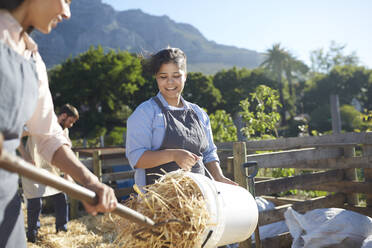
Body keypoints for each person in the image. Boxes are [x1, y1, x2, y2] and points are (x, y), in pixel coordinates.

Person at [0, 1, 117, 247]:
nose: (67, 13)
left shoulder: (33, 60)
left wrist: (89, 181)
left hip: (4, 199)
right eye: (64, 0)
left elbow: (47, 135)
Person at [126, 47, 237, 187]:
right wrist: (173, 155)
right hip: (158, 201)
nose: (170, 82)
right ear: (156, 78)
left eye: (176, 76)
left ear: (185, 76)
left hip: (199, 199)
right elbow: (136, 158)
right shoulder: (145, 113)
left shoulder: (199, 113)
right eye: (163, 77)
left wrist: (219, 177)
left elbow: (209, 153)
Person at [18, 104, 79, 242]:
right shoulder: (40, 124)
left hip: (53, 170)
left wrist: (67, 174)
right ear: (63, 116)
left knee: (61, 198)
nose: (71, 125)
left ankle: (62, 230)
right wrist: (26, 157)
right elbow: (16, 135)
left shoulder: (64, 131)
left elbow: (66, 153)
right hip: (34, 168)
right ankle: (33, 234)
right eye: (70, 121)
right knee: (35, 202)